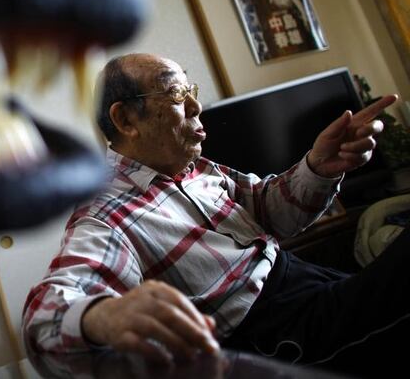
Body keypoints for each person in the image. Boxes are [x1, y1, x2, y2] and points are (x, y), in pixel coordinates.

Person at [23, 53, 406, 376]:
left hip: (303, 280)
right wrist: (102, 318)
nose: (195, 106)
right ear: (125, 121)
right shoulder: (106, 215)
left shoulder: (198, 167)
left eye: (191, 90)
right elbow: (44, 320)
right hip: (279, 332)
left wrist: (319, 166)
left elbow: (271, 210)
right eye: (175, 93)